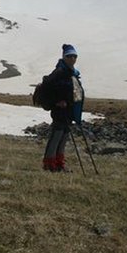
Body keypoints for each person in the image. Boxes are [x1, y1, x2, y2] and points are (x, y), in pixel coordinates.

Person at [42, 44, 85, 172]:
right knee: (57, 135)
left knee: (64, 136)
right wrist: (56, 102)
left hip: (69, 110)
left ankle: (59, 163)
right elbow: (47, 89)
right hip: (60, 110)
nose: (72, 58)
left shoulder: (73, 73)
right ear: (64, 57)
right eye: (69, 56)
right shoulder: (59, 72)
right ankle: (49, 164)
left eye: (74, 56)